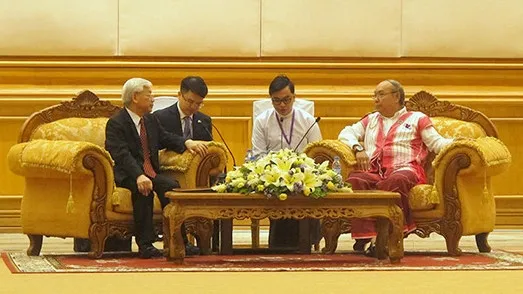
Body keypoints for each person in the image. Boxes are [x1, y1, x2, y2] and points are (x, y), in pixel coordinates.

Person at [338, 79, 454, 256]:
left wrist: (461, 144)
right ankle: (367, 236)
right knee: (355, 179)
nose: (375, 99)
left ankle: (384, 238)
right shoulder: (371, 119)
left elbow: (437, 143)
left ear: (397, 96)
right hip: (374, 171)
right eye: (374, 95)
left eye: (381, 94)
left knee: (396, 180)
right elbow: (346, 133)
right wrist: (358, 148)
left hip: (405, 169)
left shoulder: (417, 119)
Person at [105, 77, 208, 258]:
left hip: (149, 172)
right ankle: (145, 244)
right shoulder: (116, 123)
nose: (153, 99)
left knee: (171, 187)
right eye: (149, 95)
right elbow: (122, 155)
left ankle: (179, 241)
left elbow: (166, 137)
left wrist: (187, 142)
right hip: (128, 174)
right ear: (135, 97)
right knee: (143, 190)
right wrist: (138, 176)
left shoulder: (150, 120)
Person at [251, 74, 322, 250]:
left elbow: (316, 154)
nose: (282, 105)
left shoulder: (308, 121)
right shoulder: (262, 121)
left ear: (294, 98)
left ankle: (305, 241)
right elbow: (258, 155)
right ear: (271, 100)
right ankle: (279, 245)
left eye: (286, 100)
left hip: (302, 174)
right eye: (276, 101)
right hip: (273, 175)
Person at [153, 76, 212, 141]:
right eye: (190, 101)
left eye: (198, 103)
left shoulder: (204, 121)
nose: (193, 107)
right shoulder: (160, 118)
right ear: (179, 95)